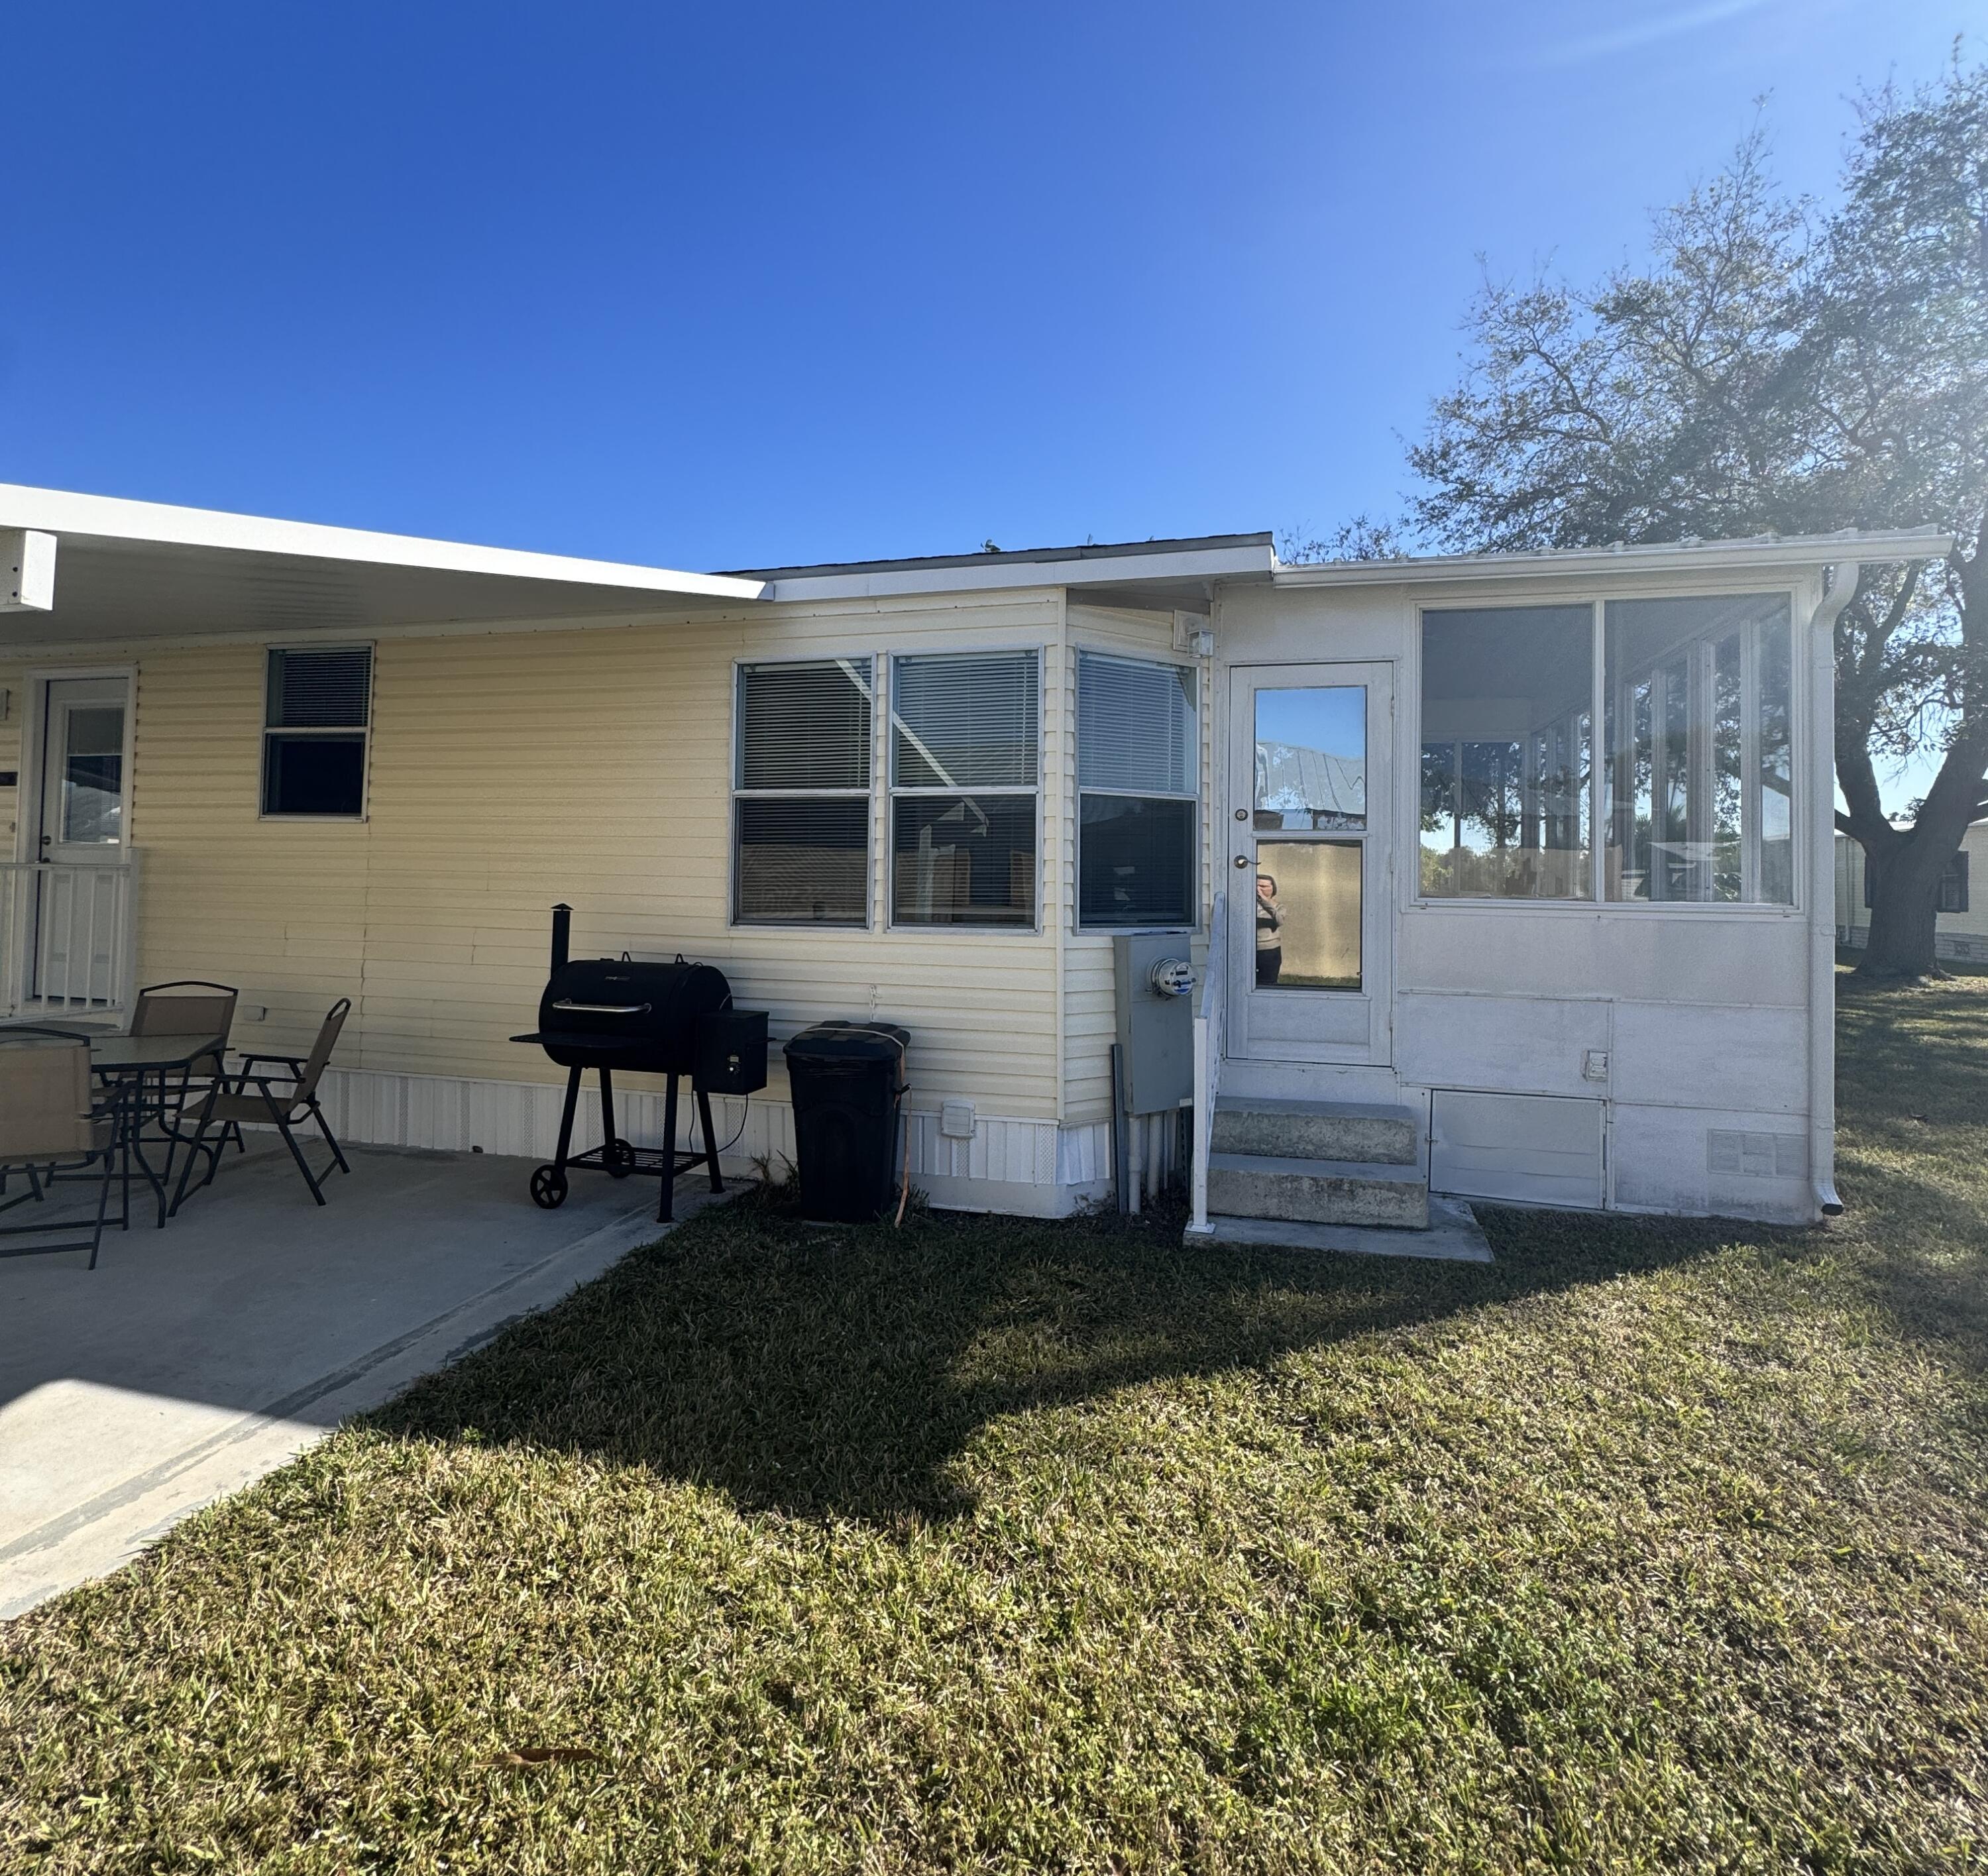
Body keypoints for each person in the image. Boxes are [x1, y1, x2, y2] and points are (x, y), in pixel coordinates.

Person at [1254, 872, 1284, 985]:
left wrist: (1264, 901)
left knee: (1268, 982)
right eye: (1257, 886)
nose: (1259, 889)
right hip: (1250, 949)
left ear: (1273, 889)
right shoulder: (1248, 905)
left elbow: (1279, 921)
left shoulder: (1278, 907)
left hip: (1269, 951)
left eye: (1263, 887)